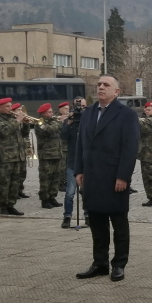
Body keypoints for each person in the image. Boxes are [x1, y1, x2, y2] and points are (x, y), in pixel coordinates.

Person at [74, 75, 139, 282]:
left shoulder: (126, 114)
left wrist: (123, 176)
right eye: (99, 85)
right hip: (92, 176)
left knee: (119, 223)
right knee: (96, 223)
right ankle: (99, 262)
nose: (101, 88)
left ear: (116, 92)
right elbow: (80, 144)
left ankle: (119, 264)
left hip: (114, 177)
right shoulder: (89, 112)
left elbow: (130, 148)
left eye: (106, 85)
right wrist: (79, 170)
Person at [0, 98, 26, 215]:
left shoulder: (12, 119)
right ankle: (3, 206)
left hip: (16, 155)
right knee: (4, 182)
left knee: (15, 182)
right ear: (0, 108)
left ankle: (11, 204)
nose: (11, 108)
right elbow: (4, 131)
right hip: (4, 157)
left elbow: (23, 134)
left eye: (10, 106)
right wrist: (18, 121)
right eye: (7, 106)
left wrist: (25, 124)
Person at [60, 96, 86, 228]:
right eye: (79, 107)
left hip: (86, 162)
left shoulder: (89, 120)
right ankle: (67, 216)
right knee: (70, 192)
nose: (81, 110)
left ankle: (88, 216)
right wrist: (68, 122)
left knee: (86, 192)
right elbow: (62, 136)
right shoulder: (70, 121)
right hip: (72, 161)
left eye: (83, 107)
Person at [33, 103, 63, 209]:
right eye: (50, 112)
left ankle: (52, 197)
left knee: (55, 178)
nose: (52, 113)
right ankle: (44, 199)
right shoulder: (39, 122)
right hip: (46, 155)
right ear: (43, 113)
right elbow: (51, 130)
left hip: (56, 153)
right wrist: (60, 121)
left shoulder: (53, 121)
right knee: (45, 178)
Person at [57, 101, 70, 192]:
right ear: (60, 110)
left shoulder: (69, 117)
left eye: (68, 109)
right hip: (61, 146)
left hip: (68, 145)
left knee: (67, 166)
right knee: (62, 166)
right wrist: (62, 122)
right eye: (65, 109)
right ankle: (60, 183)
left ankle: (65, 181)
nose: (67, 110)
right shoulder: (56, 119)